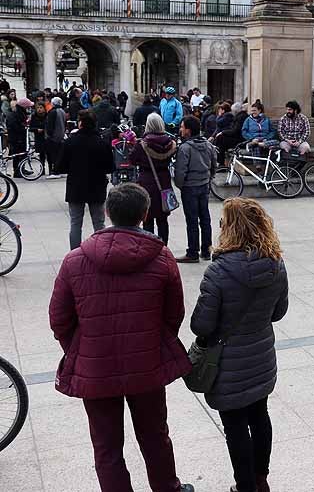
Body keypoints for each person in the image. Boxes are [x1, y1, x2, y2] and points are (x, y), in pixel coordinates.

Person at [48, 182, 195, 492]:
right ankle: (168, 487)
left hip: (96, 367)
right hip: (147, 362)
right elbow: (174, 314)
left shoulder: (75, 260)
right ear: (144, 214)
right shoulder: (162, 258)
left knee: (106, 446)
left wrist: (80, 347)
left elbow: (59, 319)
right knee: (154, 434)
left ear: (106, 213)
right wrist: (154, 340)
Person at [190, 197, 288, 492]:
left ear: (229, 229)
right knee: (260, 416)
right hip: (261, 359)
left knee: (234, 426)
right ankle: (261, 479)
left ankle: (244, 486)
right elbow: (278, 313)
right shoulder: (275, 263)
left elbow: (201, 325)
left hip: (228, 367)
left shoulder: (218, 271)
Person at [56, 110, 115, 249]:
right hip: (97, 186)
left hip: (76, 186)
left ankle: (75, 254)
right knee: (99, 223)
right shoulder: (101, 142)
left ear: (80, 123)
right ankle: (100, 251)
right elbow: (110, 167)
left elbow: (59, 167)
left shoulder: (70, 142)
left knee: (76, 223)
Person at [174, 116, 217, 263]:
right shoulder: (208, 145)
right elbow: (213, 165)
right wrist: (208, 178)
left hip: (190, 187)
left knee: (192, 220)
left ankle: (192, 251)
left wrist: (181, 185)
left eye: (182, 127)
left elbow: (180, 171)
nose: (180, 129)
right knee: (205, 218)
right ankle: (206, 250)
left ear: (188, 130)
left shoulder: (185, 148)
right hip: (204, 184)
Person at [130, 113, 178, 243]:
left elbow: (132, 160)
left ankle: (149, 246)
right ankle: (164, 247)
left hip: (146, 181)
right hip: (164, 181)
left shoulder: (142, 144)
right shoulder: (170, 143)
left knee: (148, 218)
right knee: (163, 219)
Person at [6, 97, 32, 177]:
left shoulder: (20, 113)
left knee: (22, 154)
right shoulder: (16, 114)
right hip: (17, 138)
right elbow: (14, 126)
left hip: (19, 137)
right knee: (17, 155)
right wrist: (23, 128)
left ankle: (21, 169)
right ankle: (17, 171)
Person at [44, 96, 67, 179]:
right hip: (61, 135)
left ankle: (55, 171)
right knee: (59, 154)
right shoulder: (63, 111)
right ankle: (60, 170)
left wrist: (49, 135)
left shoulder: (52, 112)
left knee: (53, 155)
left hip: (53, 137)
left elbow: (50, 125)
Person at [29, 101, 48, 175]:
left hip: (46, 137)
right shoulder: (34, 116)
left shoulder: (47, 115)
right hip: (39, 137)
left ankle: (51, 169)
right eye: (38, 108)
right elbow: (31, 128)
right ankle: (42, 169)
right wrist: (37, 130)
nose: (39, 109)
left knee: (49, 154)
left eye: (41, 108)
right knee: (42, 154)